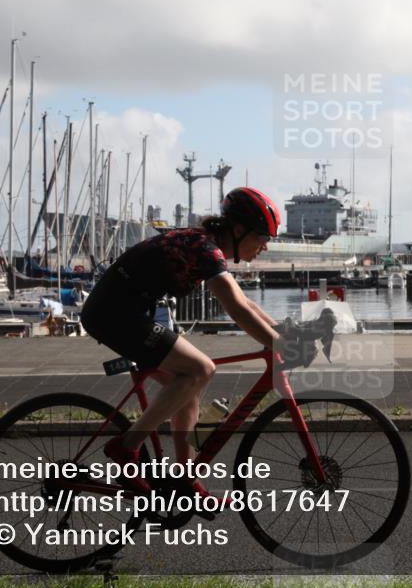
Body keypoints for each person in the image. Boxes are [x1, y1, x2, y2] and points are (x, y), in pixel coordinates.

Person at [80, 187, 281, 489]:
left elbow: (247, 304)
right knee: (201, 369)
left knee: (188, 391)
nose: (265, 246)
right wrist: (282, 346)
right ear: (239, 230)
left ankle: (185, 481)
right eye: (263, 237)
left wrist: (285, 334)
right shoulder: (205, 250)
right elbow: (238, 310)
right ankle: (126, 447)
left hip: (128, 309)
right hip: (115, 312)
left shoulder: (205, 246)